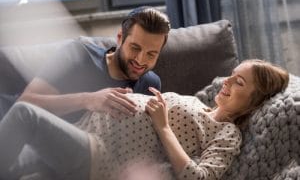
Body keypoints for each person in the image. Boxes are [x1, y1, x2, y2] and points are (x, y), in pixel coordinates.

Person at [0, 59, 289, 180]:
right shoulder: (198, 104)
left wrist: (163, 126)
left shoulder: (227, 135)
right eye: (231, 75)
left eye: (239, 82)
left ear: (254, 101)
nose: (227, 82)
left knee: (25, 114)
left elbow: (197, 177)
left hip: (99, 156)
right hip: (80, 133)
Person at [18, 5, 171, 120]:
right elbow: (25, 104)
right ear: (119, 38)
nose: (140, 60)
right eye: (135, 48)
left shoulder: (150, 84)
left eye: (151, 54)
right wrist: (88, 100)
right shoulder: (78, 54)